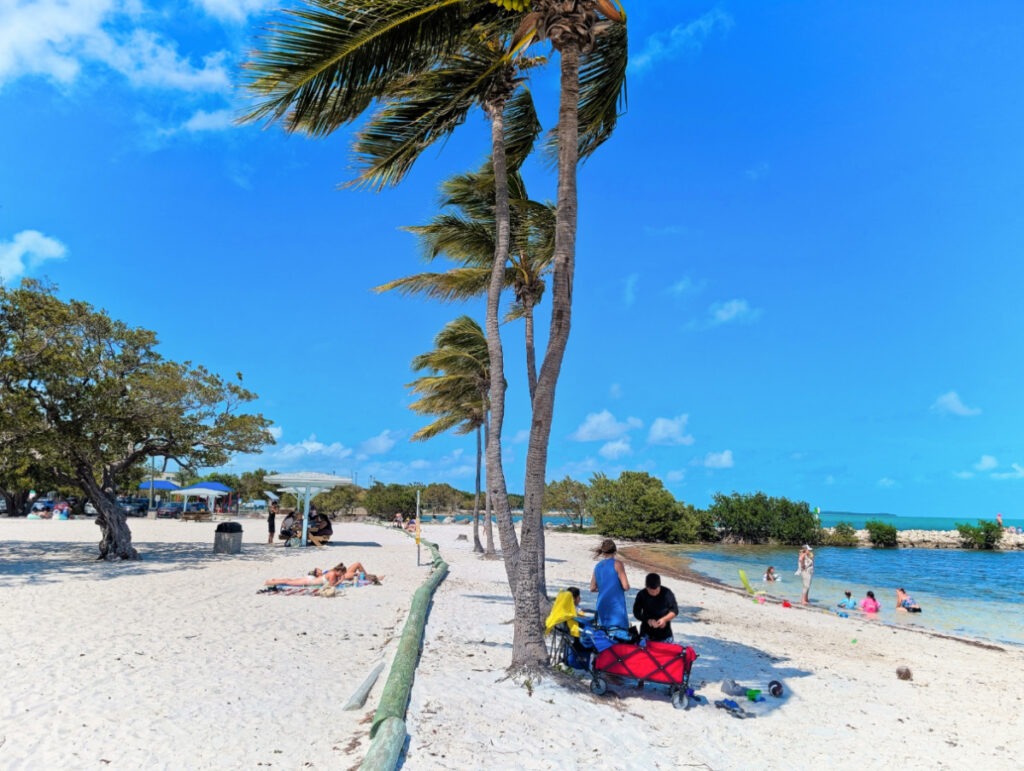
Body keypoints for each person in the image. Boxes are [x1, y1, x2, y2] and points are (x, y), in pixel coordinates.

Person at [590, 539, 630, 630]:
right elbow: (626, 586)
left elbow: (592, 588)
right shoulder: (618, 564)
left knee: (605, 632)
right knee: (619, 632)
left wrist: (604, 588)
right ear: (615, 551)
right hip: (615, 603)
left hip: (602, 602)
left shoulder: (598, 566)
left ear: (603, 552)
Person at [632, 573, 679, 643]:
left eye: (656, 590)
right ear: (647, 587)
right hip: (646, 633)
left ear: (659, 586)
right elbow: (636, 612)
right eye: (651, 591)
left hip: (665, 634)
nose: (654, 593)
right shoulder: (641, 594)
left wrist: (664, 619)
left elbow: (675, 610)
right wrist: (648, 620)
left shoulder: (667, 593)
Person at [266, 561, 383, 588]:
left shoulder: (331, 572)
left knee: (289, 580)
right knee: (288, 582)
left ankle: (274, 580)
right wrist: (341, 580)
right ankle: (270, 582)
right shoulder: (332, 574)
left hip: (311, 579)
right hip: (310, 581)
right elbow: (332, 586)